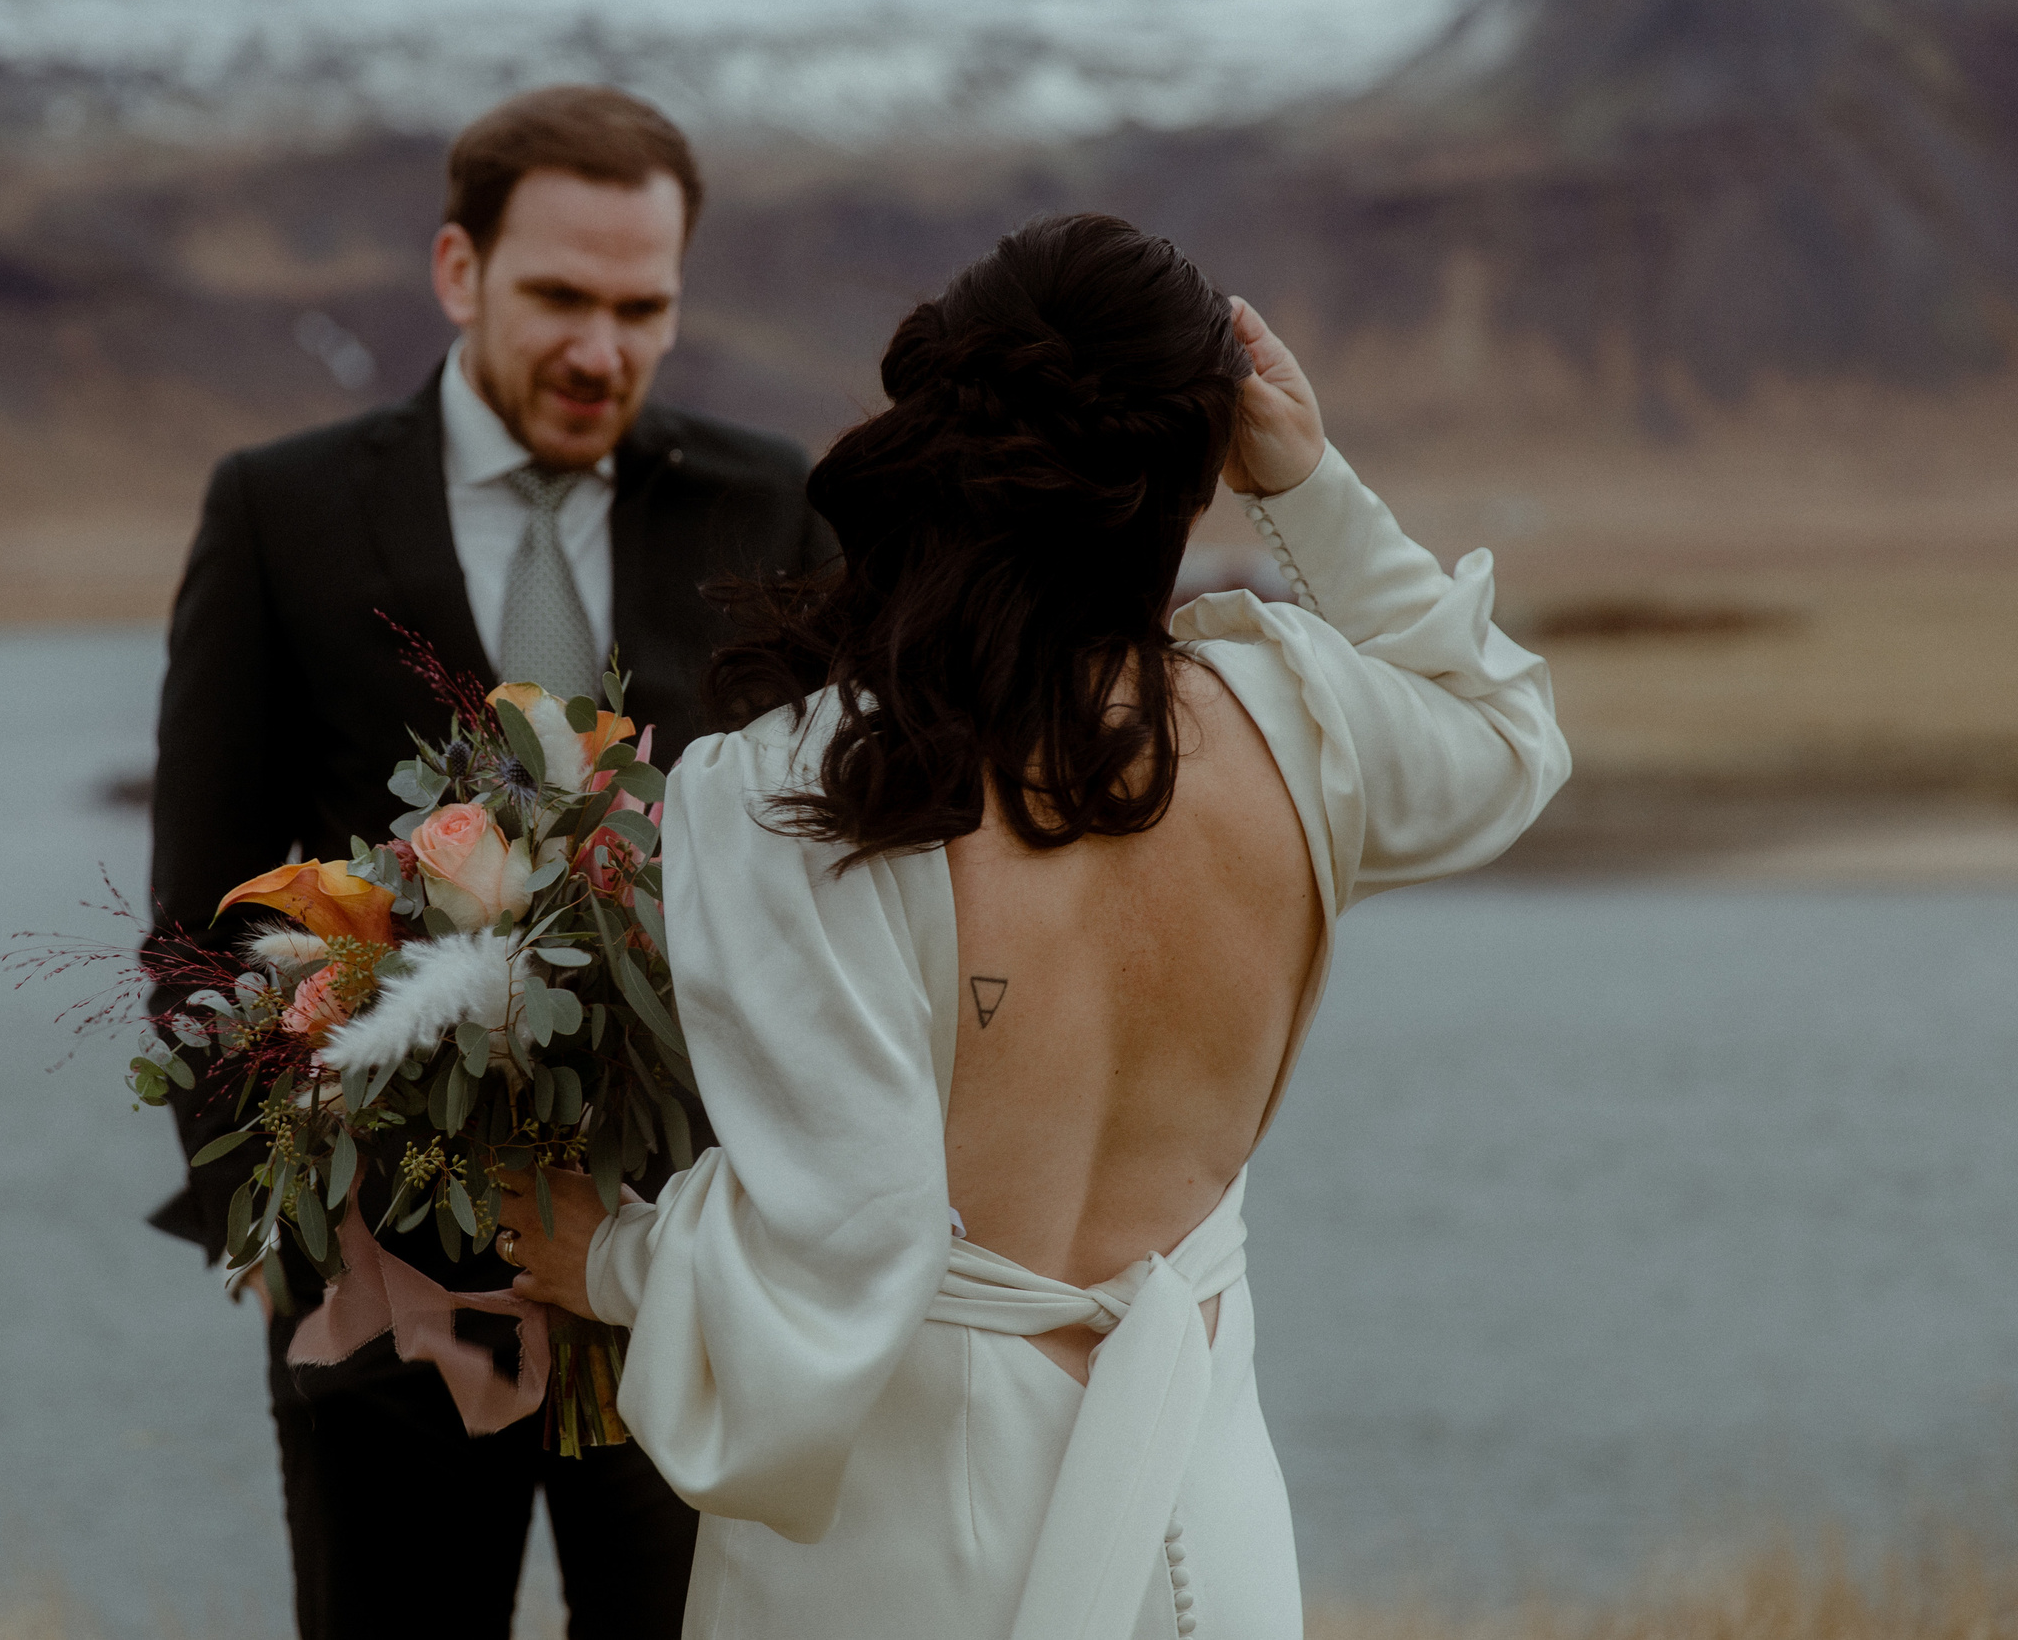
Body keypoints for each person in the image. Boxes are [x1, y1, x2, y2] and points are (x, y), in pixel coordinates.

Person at [496, 214, 1571, 1638]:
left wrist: (610, 1258)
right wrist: (1307, 485)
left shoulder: (797, 794)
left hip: (909, 1551)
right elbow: (1505, 729)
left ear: (944, 440)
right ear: (1197, 470)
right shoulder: (1302, 727)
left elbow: (848, 1245)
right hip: (1203, 1531)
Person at [145, 85, 826, 1639]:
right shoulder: (281, 511)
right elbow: (196, 918)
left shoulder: (772, 506)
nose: (602, 350)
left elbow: (834, 878)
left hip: (684, 1280)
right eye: (561, 298)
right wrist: (281, 1230)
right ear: (460, 272)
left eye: (642, 309)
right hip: (385, 1291)